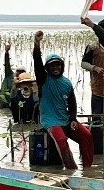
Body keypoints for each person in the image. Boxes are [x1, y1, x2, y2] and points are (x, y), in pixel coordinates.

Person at [32, 31, 94, 169]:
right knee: (61, 141)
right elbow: (37, 62)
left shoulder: (66, 83)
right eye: (52, 66)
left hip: (65, 119)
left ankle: (88, 170)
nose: (55, 68)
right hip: (50, 120)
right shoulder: (43, 79)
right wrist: (36, 44)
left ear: (62, 66)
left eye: (58, 65)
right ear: (47, 68)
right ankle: (72, 170)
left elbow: (72, 103)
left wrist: (72, 119)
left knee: (86, 135)